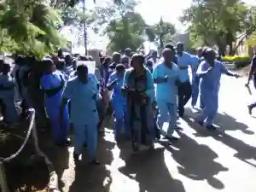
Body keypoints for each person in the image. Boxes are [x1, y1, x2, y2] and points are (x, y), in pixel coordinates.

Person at [62, 65, 100, 164]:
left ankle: (92, 157)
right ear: (77, 73)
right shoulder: (71, 83)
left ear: (87, 72)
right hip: (78, 115)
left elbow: (96, 93)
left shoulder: (92, 79)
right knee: (80, 136)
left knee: (92, 137)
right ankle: (76, 152)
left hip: (91, 113)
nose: (83, 76)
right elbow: (65, 98)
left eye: (84, 74)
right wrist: (61, 111)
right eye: (80, 74)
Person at [196, 48, 239, 130]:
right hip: (205, 88)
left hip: (215, 88)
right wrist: (206, 72)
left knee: (215, 108)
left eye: (213, 54)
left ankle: (209, 123)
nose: (213, 56)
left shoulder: (218, 64)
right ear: (206, 56)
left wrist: (233, 74)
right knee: (209, 107)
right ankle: (200, 119)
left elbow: (226, 71)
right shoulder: (203, 64)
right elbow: (198, 74)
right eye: (210, 54)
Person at [123, 54, 155, 151]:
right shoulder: (128, 73)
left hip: (144, 101)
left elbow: (151, 88)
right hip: (132, 101)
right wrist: (125, 89)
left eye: (135, 61)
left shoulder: (147, 73)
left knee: (146, 121)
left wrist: (143, 94)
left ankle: (148, 141)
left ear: (141, 62)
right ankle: (135, 142)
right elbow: (125, 84)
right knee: (133, 121)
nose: (132, 62)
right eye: (132, 60)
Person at [40, 59, 70, 146]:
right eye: (51, 64)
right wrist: (60, 86)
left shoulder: (57, 73)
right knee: (56, 122)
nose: (53, 65)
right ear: (46, 67)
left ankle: (64, 138)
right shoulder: (44, 78)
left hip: (63, 101)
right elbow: (49, 92)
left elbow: (65, 82)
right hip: (52, 103)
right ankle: (58, 141)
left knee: (65, 120)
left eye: (53, 64)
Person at [153, 48, 180, 140]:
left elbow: (178, 80)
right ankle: (156, 132)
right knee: (163, 115)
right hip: (161, 96)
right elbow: (154, 79)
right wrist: (164, 79)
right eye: (166, 55)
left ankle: (169, 135)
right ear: (163, 56)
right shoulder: (158, 67)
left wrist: (178, 82)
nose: (169, 57)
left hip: (172, 95)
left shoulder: (175, 67)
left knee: (173, 116)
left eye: (170, 55)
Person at [107, 64, 128, 141]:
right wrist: (113, 83)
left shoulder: (128, 74)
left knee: (127, 117)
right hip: (117, 98)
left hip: (127, 98)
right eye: (118, 72)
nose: (120, 74)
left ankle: (127, 134)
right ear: (116, 71)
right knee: (119, 117)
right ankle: (117, 134)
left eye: (122, 72)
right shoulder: (113, 75)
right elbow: (108, 87)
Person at [176, 42, 194, 117]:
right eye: (178, 47)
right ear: (176, 48)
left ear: (183, 48)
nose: (180, 48)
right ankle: (180, 111)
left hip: (186, 79)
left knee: (189, 93)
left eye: (181, 47)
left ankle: (180, 105)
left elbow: (192, 63)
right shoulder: (174, 56)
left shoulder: (187, 56)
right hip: (178, 80)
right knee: (180, 96)